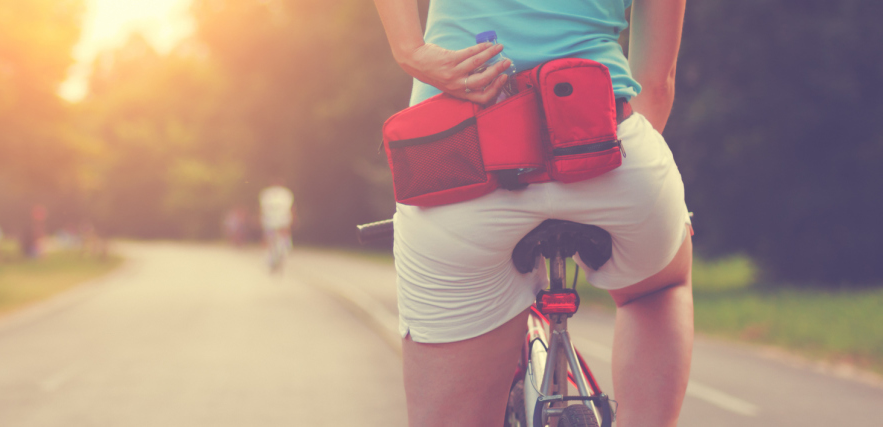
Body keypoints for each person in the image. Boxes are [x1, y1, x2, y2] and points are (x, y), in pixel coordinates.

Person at [370, 0, 690, 426]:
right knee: (658, 288)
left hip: (457, 157)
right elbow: (657, 83)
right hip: (604, 142)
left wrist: (409, 49)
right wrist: (614, 177)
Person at [258, 182, 295, 272]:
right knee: (274, 241)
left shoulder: (266, 194)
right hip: (278, 221)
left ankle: (277, 258)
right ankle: (278, 257)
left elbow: (262, 209)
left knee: (272, 241)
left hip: (273, 221)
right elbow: (292, 208)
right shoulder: (286, 194)